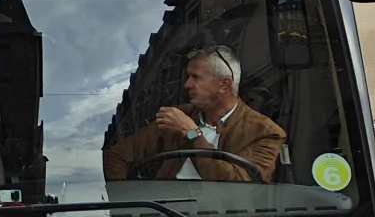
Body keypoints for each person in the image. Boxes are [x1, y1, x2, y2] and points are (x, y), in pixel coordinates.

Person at [102, 46, 287, 184]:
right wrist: (130, 201)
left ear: (224, 85)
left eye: (196, 77)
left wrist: (192, 133)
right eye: (187, 77)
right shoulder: (178, 115)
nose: (187, 85)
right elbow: (116, 156)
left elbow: (237, 185)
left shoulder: (266, 132)